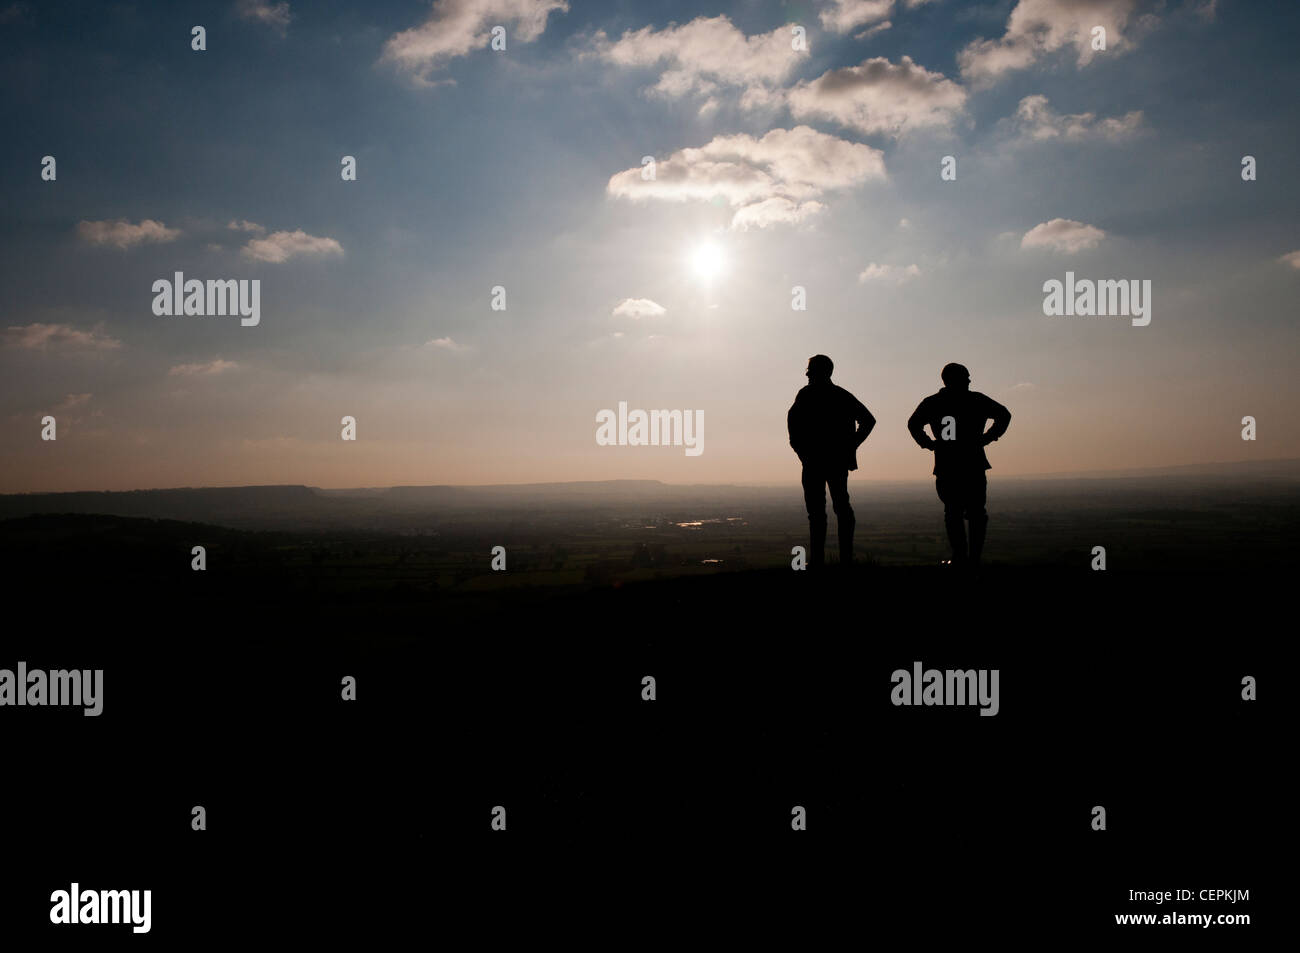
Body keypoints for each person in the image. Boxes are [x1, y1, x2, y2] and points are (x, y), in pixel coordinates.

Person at [907, 363, 1011, 570]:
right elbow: (1004, 415)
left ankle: (961, 558)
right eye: (966, 377)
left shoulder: (934, 403)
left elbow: (913, 424)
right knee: (974, 513)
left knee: (954, 512)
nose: (970, 381)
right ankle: (971, 559)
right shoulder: (976, 400)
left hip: (948, 463)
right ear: (956, 379)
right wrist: (987, 438)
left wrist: (930, 444)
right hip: (972, 462)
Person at [787, 355, 875, 568]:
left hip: (815, 462)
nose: (806, 374)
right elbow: (868, 420)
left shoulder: (806, 395)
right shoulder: (841, 395)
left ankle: (820, 561)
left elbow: (793, 425)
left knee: (820, 512)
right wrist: (851, 445)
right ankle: (844, 559)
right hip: (833, 461)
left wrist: (802, 451)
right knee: (839, 508)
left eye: (810, 370)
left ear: (818, 372)